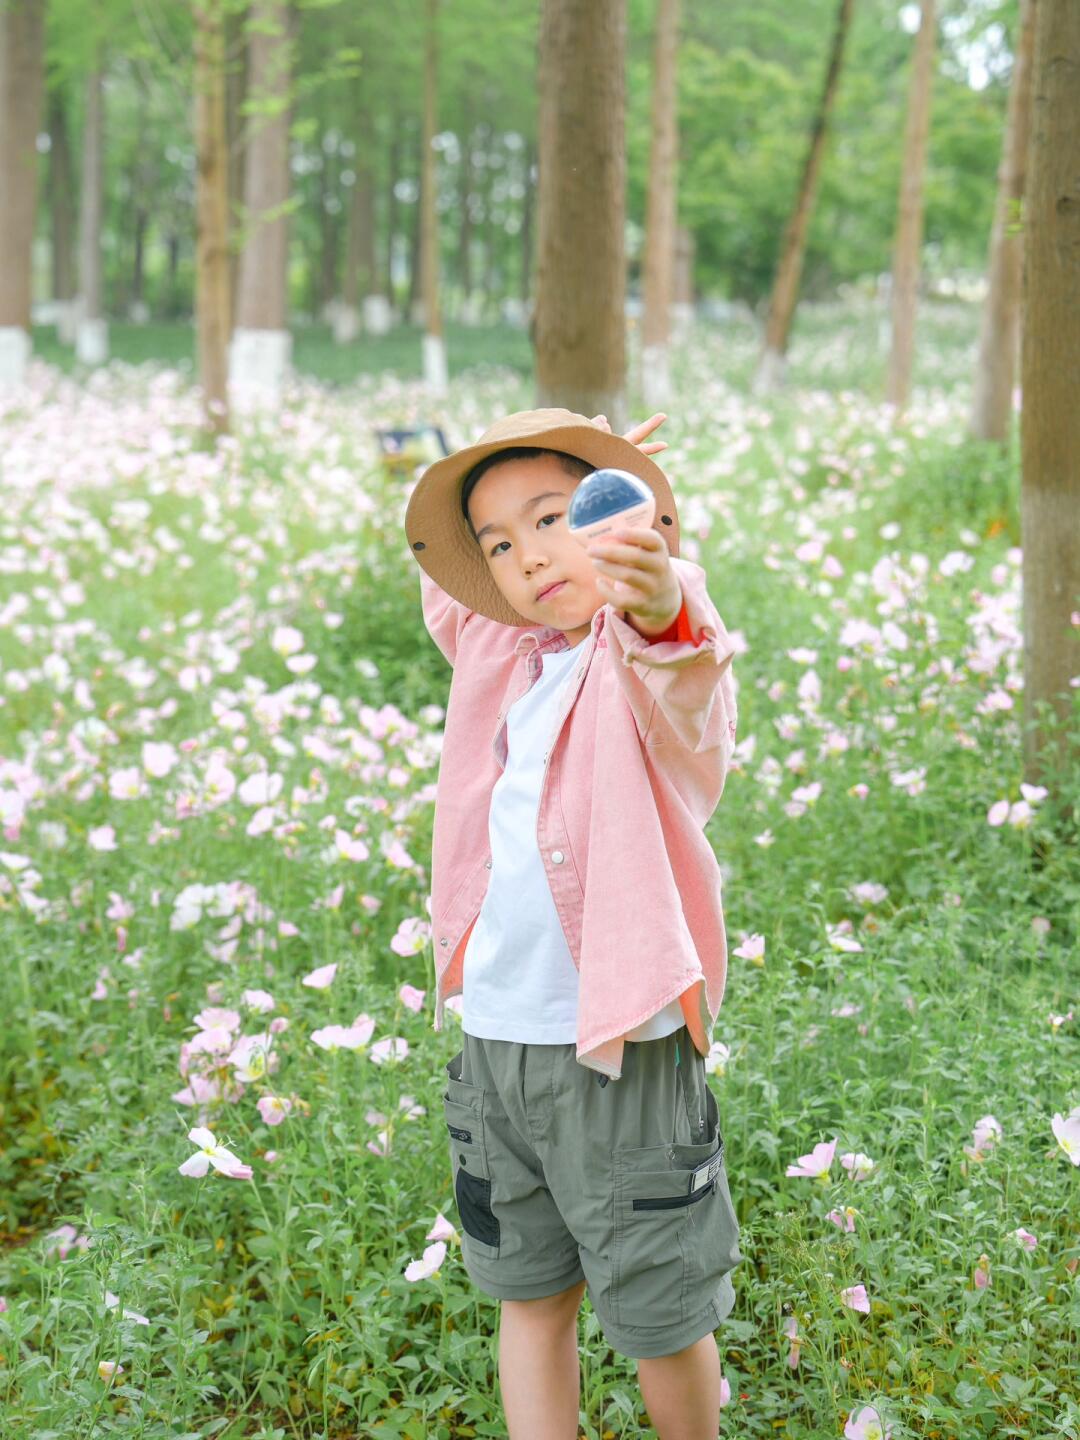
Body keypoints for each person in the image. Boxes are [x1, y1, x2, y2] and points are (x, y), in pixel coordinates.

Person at [404, 407, 744, 1440]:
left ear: (617, 523)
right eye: (502, 544)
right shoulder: (501, 654)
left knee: (660, 1315)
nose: (529, 556)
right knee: (530, 1296)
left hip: (618, 1047)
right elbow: (450, 580)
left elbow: (683, 652)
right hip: (495, 1043)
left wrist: (655, 583)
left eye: (553, 518)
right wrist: (576, 445)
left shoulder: (640, 663)